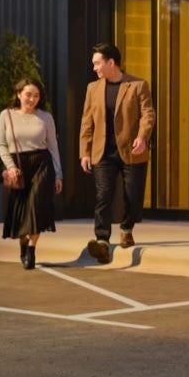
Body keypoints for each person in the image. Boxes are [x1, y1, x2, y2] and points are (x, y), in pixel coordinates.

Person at [78, 43, 155, 263]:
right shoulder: (92, 88)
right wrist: (84, 151)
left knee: (132, 195)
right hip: (102, 152)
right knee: (103, 195)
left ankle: (126, 228)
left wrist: (142, 137)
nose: (94, 68)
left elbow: (147, 114)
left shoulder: (138, 85)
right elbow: (86, 122)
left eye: (97, 63)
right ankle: (102, 239)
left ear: (111, 63)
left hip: (132, 149)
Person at [0, 78, 63, 269]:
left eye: (36, 95)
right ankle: (23, 244)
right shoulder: (6, 115)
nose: (32, 99)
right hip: (17, 166)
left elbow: (53, 147)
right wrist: (10, 167)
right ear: (18, 94)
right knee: (20, 212)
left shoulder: (46, 118)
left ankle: (32, 250)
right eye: (28, 94)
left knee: (36, 207)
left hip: (41, 165)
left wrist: (58, 174)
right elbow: (1, 144)